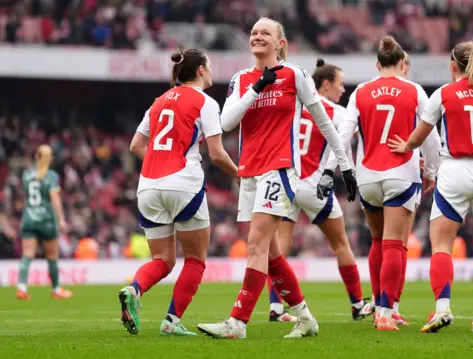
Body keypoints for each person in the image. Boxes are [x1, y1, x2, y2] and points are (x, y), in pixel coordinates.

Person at [197, 17, 356, 339]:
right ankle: (306, 318)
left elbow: (325, 121)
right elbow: (227, 122)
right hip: (249, 172)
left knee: (255, 244)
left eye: (264, 33)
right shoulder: (242, 79)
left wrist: (345, 165)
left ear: (280, 43)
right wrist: (257, 87)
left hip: (280, 169)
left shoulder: (294, 75)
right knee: (269, 253)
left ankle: (237, 322)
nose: (257, 36)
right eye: (254, 32)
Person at [389, 41, 473, 333]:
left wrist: (406, 145)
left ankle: (442, 308)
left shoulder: (444, 94)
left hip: (455, 171)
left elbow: (421, 135)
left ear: (452, 65)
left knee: (442, 246)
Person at [324, 36, 441, 331]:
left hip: (368, 177)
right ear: (402, 64)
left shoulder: (362, 91)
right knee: (394, 244)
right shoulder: (414, 90)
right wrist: (433, 171)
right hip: (401, 174)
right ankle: (386, 313)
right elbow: (431, 135)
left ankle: (382, 305)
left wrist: (332, 170)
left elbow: (343, 135)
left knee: (378, 241)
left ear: (377, 64)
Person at [119, 48, 238, 336]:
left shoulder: (158, 103)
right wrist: (242, 174)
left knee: (162, 260)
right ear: (200, 70)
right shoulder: (205, 102)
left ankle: (134, 290)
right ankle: (171, 321)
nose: (211, 71)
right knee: (195, 259)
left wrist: (159, 160)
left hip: (148, 185)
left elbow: (136, 145)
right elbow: (218, 154)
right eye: (209, 66)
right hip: (183, 184)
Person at [266, 58, 373, 323]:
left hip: (287, 182)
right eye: (340, 84)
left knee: (280, 249)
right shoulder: (336, 112)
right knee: (341, 244)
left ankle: (276, 307)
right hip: (314, 184)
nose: (343, 90)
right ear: (325, 85)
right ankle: (358, 304)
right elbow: (352, 140)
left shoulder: (294, 105)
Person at [16, 145, 72, 300]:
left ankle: (21, 287)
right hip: (46, 220)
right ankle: (56, 289)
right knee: (52, 256)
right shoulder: (51, 176)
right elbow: (55, 198)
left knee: (27, 254)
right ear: (50, 159)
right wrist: (61, 219)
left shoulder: (26, 174)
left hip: (28, 218)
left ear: (36, 157)